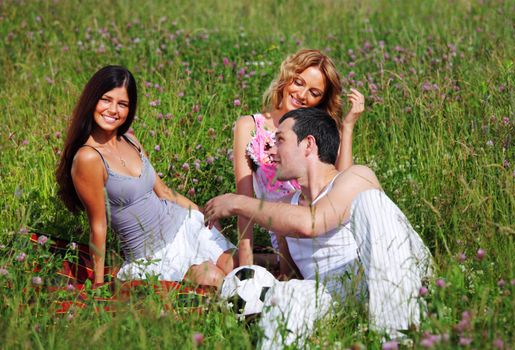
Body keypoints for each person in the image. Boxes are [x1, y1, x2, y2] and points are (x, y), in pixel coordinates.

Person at [205, 107, 433, 337]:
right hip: (331, 291)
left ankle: (398, 332)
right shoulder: (285, 209)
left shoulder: (355, 178)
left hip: (379, 272)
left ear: (308, 144)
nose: (271, 151)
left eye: (280, 140)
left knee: (370, 200)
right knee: (286, 295)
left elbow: (312, 223)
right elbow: (291, 275)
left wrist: (239, 203)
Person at [56, 65, 235, 288]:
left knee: (236, 267)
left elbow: (164, 192)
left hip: (184, 225)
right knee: (215, 280)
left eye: (122, 104)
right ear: (92, 100)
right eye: (106, 100)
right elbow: (98, 226)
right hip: (154, 255)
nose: (113, 110)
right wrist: (99, 285)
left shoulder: (130, 140)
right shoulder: (88, 158)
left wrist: (203, 214)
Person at [234, 49, 365, 267]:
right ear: (287, 78)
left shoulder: (320, 132)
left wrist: (347, 128)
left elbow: (341, 188)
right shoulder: (250, 126)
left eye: (314, 92)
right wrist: (245, 271)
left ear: (322, 100)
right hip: (286, 237)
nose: (302, 95)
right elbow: (243, 205)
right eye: (298, 82)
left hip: (328, 229)